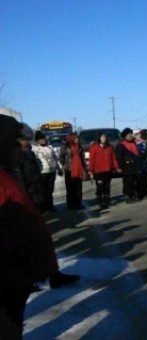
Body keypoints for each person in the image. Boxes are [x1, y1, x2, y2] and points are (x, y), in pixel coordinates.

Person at [0, 115, 79, 337]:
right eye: (19, 140)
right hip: (8, 280)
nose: (26, 144)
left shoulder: (8, 170)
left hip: (18, 278)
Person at [88, 132, 118, 208]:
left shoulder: (109, 147)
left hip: (108, 170)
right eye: (102, 137)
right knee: (100, 187)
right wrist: (90, 170)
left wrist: (116, 167)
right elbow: (92, 160)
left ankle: (107, 201)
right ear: (99, 138)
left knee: (107, 187)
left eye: (105, 137)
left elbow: (113, 158)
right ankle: (100, 202)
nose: (104, 139)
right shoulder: (94, 148)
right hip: (98, 171)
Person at [33, 130, 60, 212]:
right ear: (37, 140)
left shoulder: (50, 147)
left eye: (44, 138)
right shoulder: (35, 149)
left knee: (50, 190)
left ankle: (51, 206)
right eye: (41, 139)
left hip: (51, 171)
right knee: (44, 191)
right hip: (42, 172)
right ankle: (44, 207)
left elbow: (55, 158)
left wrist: (58, 168)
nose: (44, 140)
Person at [58, 133, 86, 209]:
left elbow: (82, 158)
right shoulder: (65, 147)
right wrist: (65, 163)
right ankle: (71, 205)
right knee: (70, 189)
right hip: (69, 170)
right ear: (71, 139)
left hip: (79, 169)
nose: (77, 139)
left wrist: (85, 168)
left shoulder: (80, 147)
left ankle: (79, 203)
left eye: (78, 138)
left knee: (78, 188)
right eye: (76, 138)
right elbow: (60, 157)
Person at [115, 128, 141, 203]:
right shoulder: (121, 145)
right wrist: (119, 167)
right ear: (125, 135)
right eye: (129, 134)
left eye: (131, 134)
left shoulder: (134, 143)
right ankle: (128, 196)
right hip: (126, 167)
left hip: (135, 166)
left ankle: (133, 195)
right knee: (128, 182)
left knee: (134, 182)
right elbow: (118, 157)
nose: (130, 135)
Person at [135, 129, 147, 199]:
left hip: (146, 164)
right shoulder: (141, 144)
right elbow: (141, 154)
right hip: (142, 164)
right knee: (142, 180)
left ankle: (145, 192)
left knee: (145, 179)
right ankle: (142, 193)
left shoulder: (145, 144)